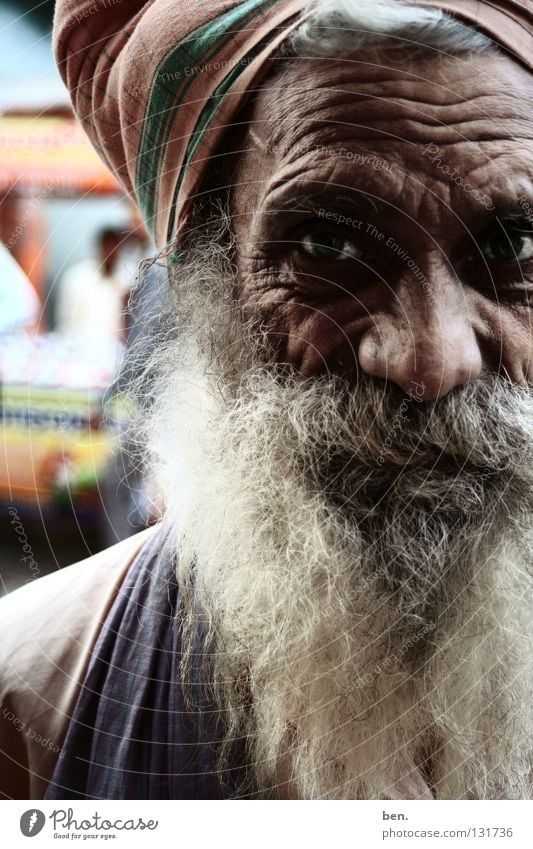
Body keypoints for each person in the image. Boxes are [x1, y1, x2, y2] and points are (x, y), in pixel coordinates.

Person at [1, 0, 533, 800]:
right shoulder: (31, 697)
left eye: (515, 246)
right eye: (328, 246)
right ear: (204, 285)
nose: (431, 359)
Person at [55, 227, 129, 344]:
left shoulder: (129, 279)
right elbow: (66, 323)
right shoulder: (76, 278)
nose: (110, 251)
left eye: (114, 246)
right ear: (99, 247)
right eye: (107, 246)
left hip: (118, 354)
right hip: (82, 353)